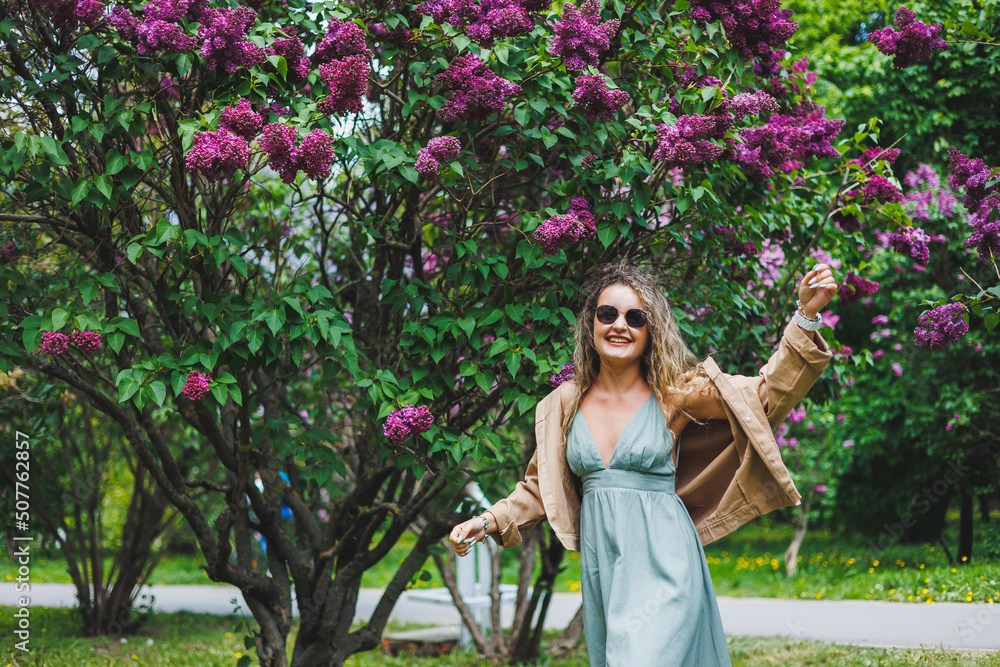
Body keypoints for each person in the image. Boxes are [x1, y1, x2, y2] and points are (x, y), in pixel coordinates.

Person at [449, 258, 838, 666]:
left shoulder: (675, 393)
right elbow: (539, 487)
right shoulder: (564, 403)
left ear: (651, 330)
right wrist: (485, 522)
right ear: (590, 323)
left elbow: (764, 398)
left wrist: (805, 316)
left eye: (635, 317)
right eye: (608, 314)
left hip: (667, 565)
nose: (620, 325)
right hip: (606, 572)